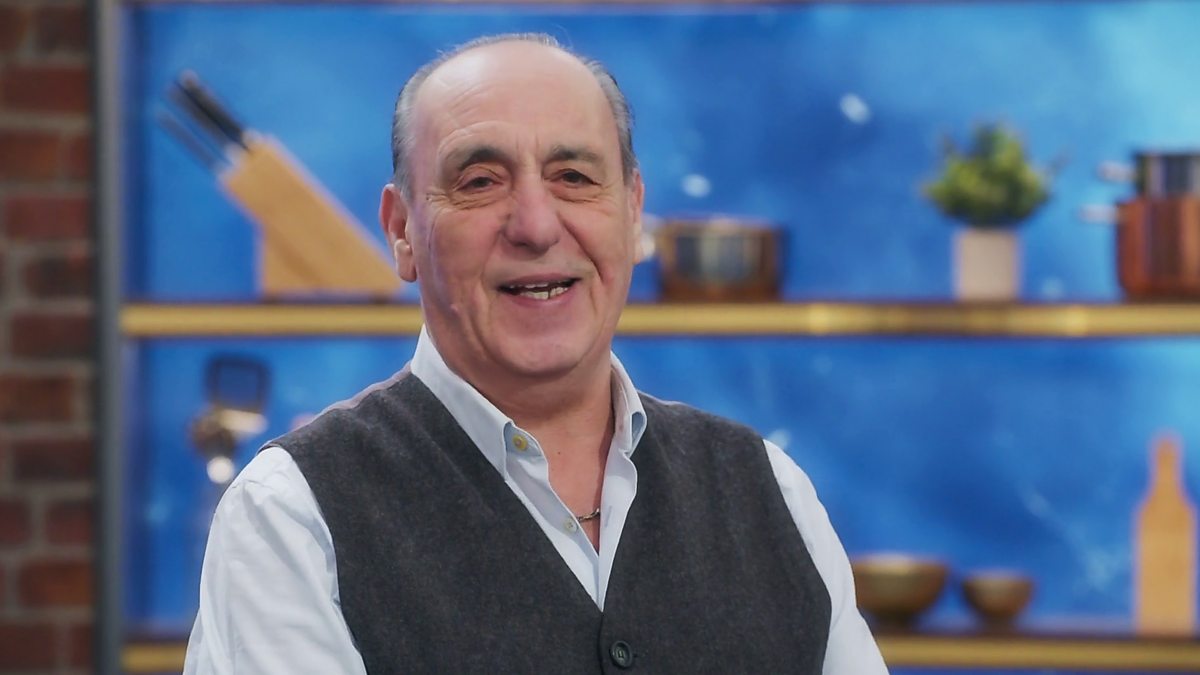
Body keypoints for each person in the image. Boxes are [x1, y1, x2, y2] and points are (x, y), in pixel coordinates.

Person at [183, 33, 887, 674]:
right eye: (480, 182)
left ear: (632, 212)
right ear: (401, 231)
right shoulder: (291, 517)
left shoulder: (772, 491)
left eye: (573, 177)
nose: (536, 225)